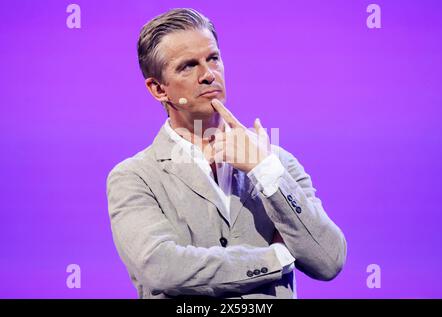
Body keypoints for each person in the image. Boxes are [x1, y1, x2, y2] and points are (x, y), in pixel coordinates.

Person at [106, 8, 347, 299]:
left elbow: (329, 260)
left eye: (213, 58)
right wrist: (278, 258)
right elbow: (162, 269)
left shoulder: (276, 162)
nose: (208, 75)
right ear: (158, 89)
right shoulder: (134, 177)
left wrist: (263, 169)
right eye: (188, 66)